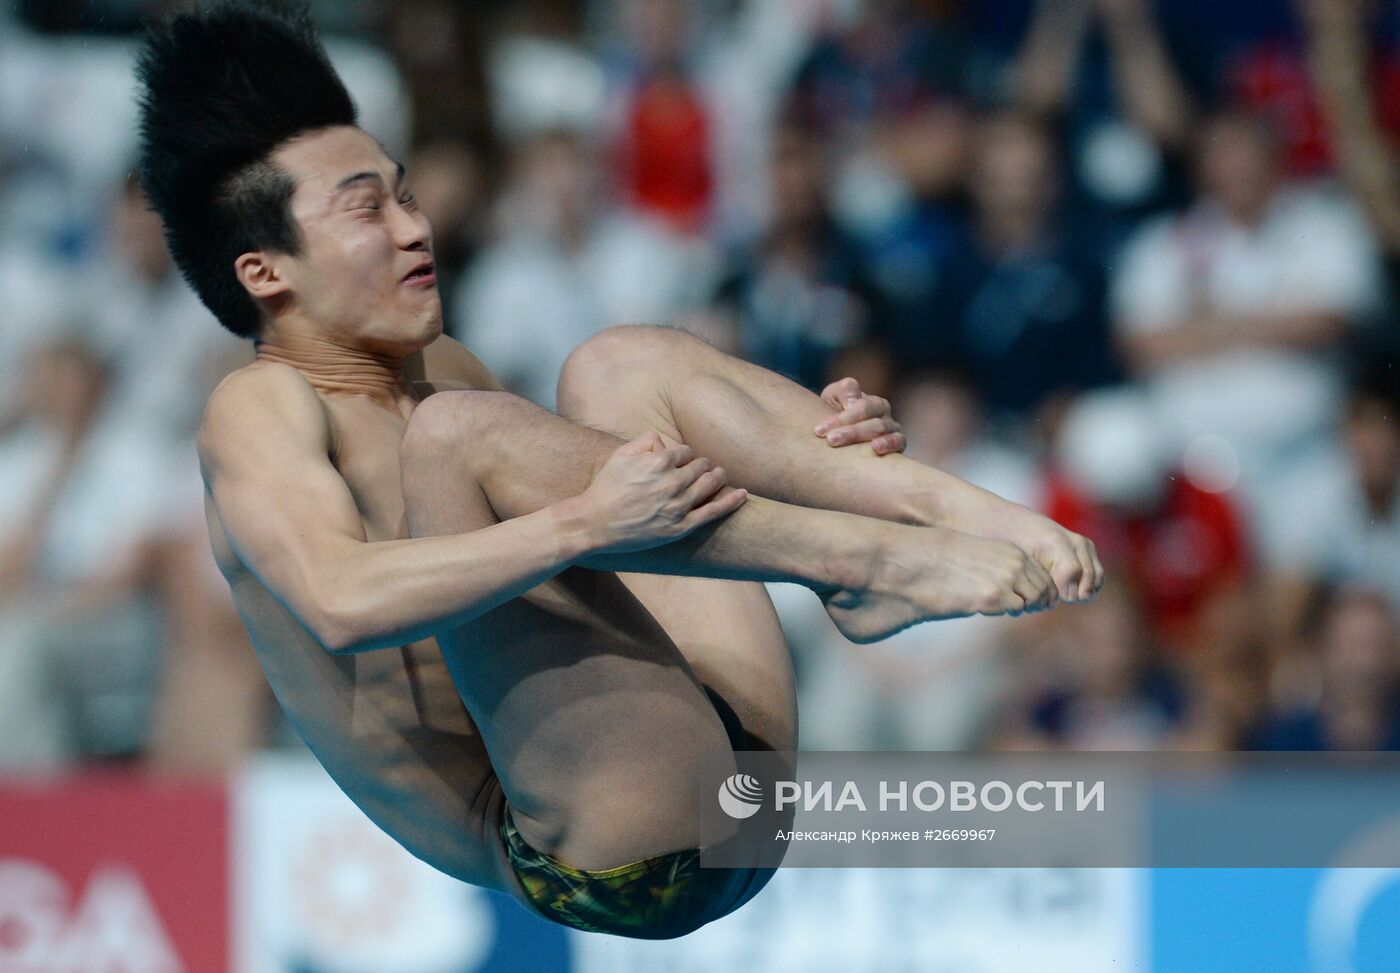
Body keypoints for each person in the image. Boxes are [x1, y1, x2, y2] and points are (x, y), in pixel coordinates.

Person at [135, 2, 1102, 940]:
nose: (413, 228)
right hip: (605, 851)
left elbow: (620, 507)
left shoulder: (446, 374)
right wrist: (586, 524)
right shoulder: (259, 406)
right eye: (366, 210)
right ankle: (865, 559)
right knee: (461, 436)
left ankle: (914, 514)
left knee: (617, 362)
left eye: (406, 193)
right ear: (267, 273)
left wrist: (817, 452)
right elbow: (341, 599)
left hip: (721, 759)